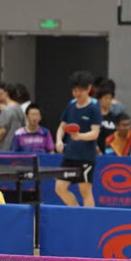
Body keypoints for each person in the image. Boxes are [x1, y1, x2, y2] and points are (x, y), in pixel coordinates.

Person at [55, 71, 101, 207]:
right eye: (75, 90)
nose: (77, 93)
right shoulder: (70, 105)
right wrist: (58, 140)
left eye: (81, 90)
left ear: (89, 89)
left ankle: (88, 218)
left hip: (86, 157)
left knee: (85, 191)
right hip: (69, 155)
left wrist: (79, 136)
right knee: (59, 188)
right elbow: (62, 126)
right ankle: (76, 211)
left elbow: (95, 133)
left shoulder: (94, 108)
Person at [0, 81, 25, 152]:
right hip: (18, 147)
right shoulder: (19, 108)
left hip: (5, 148)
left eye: (1, 93)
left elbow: (2, 130)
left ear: (6, 93)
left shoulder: (7, 110)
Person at [96, 83, 119, 154]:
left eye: (110, 98)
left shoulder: (114, 117)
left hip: (111, 153)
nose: (108, 101)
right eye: (106, 98)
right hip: (96, 153)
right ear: (99, 99)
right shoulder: (95, 116)